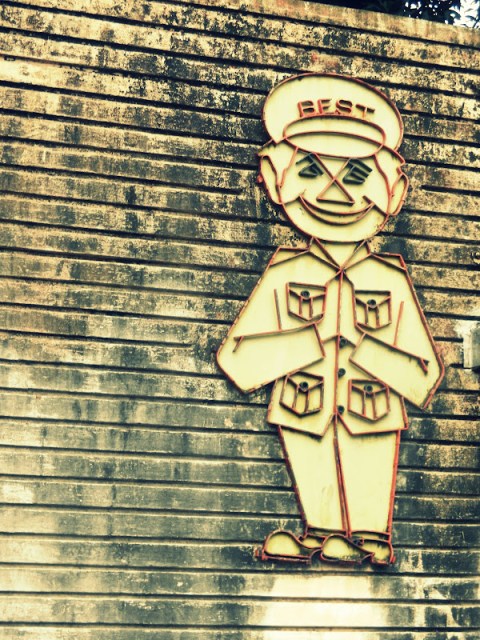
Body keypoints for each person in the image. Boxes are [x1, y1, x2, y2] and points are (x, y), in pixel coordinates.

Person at [217, 74, 444, 565]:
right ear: (274, 177)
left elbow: (425, 376)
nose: (334, 190)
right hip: (304, 406)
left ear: (393, 191)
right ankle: (319, 531)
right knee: (311, 452)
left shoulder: (390, 279)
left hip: (371, 412)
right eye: (311, 170)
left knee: (369, 464)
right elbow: (235, 360)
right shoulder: (284, 272)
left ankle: (371, 536)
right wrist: (305, 343)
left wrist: (364, 349)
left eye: (357, 175)